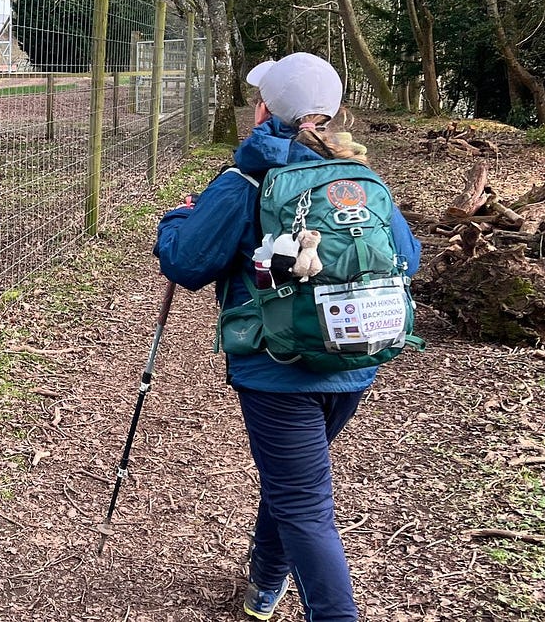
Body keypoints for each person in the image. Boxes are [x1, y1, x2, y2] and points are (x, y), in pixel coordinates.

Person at [153, 52, 421, 622]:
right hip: (355, 357)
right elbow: (409, 258)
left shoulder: (246, 179)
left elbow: (187, 263)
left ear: (264, 110)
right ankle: (266, 584)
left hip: (277, 368)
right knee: (292, 481)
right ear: (333, 114)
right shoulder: (361, 178)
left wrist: (177, 219)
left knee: (302, 502)